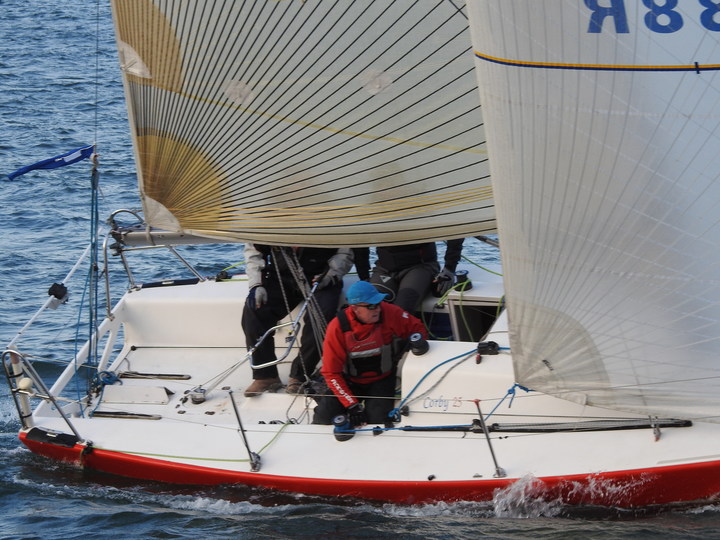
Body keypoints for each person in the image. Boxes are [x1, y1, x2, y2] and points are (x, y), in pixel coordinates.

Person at [242, 244, 353, 397]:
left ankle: (300, 375)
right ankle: (265, 375)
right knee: (254, 310)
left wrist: (331, 275)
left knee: (321, 314)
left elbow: (345, 251)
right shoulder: (265, 227)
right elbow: (254, 252)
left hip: (321, 277)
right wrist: (256, 285)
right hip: (281, 276)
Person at [312, 280, 427, 427]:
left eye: (378, 303)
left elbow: (418, 329)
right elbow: (331, 373)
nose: (377, 309)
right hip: (350, 381)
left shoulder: (389, 312)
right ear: (355, 308)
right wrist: (352, 405)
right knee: (323, 419)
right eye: (371, 306)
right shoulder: (337, 327)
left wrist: (416, 345)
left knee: (378, 423)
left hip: (382, 379)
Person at [355, 239, 465, 313]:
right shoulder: (374, 212)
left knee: (401, 309)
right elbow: (358, 237)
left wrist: (449, 268)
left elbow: (455, 227)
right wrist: (364, 276)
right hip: (384, 268)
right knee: (368, 305)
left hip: (420, 266)